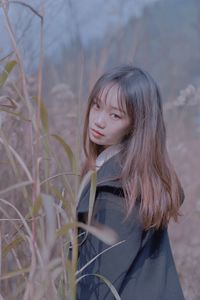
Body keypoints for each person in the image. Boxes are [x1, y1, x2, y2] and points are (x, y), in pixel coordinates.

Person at [76, 65, 185, 300]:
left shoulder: (116, 193)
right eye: (97, 105)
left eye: (115, 115)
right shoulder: (136, 178)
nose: (99, 121)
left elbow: (96, 287)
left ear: (137, 125)